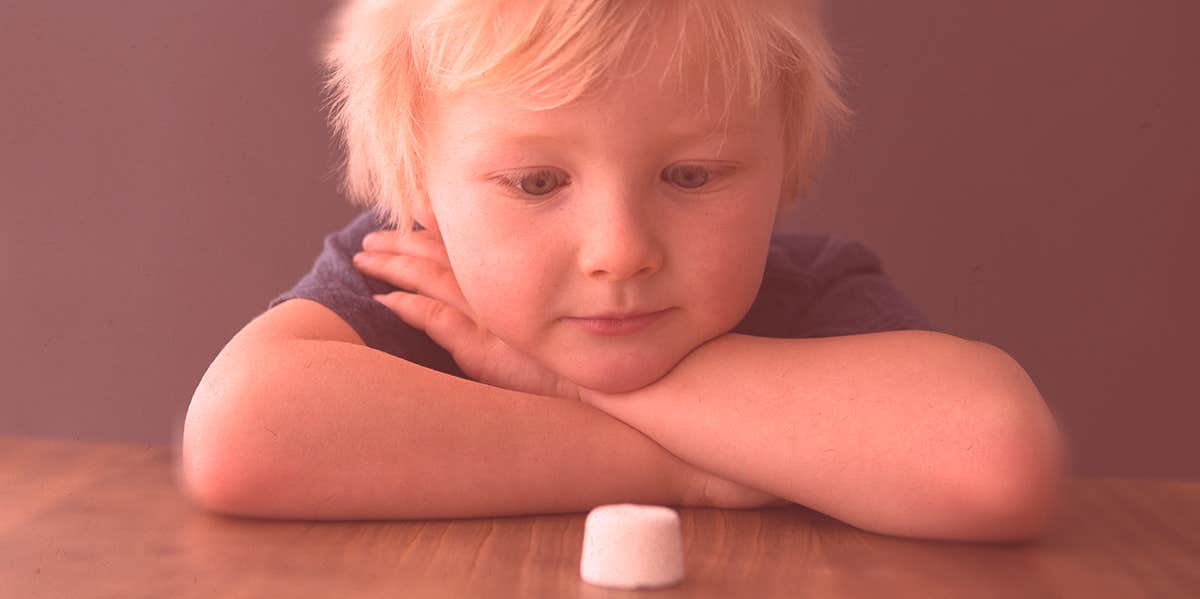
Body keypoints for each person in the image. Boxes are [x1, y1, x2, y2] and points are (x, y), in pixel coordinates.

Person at [180, 0, 1066, 542]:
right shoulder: (415, 276)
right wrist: (686, 471)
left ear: (784, 165)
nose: (619, 249)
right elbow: (238, 437)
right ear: (423, 191)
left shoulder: (806, 291)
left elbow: (995, 459)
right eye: (536, 182)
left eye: (690, 176)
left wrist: (563, 383)